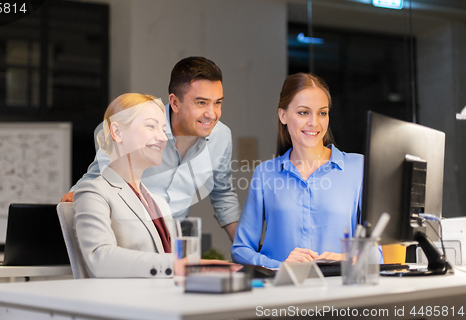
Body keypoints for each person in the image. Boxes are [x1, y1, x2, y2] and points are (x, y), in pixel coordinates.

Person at [62, 57, 240, 241]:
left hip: (173, 245)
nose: (212, 114)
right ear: (175, 103)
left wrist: (247, 249)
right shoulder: (134, 127)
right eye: (201, 103)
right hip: (125, 243)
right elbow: (93, 181)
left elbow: (223, 193)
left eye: (217, 102)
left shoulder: (221, 137)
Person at [231, 73, 364, 269]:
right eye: (303, 112)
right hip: (283, 294)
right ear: (283, 116)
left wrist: (349, 258)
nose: (314, 123)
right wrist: (280, 266)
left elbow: (380, 251)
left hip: (340, 292)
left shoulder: (358, 168)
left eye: (322, 113)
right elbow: (241, 250)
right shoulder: (265, 174)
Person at [73, 93, 173, 278]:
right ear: (117, 132)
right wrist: (177, 264)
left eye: (163, 129)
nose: (162, 137)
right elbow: (100, 259)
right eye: (151, 126)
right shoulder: (94, 192)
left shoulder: (159, 202)